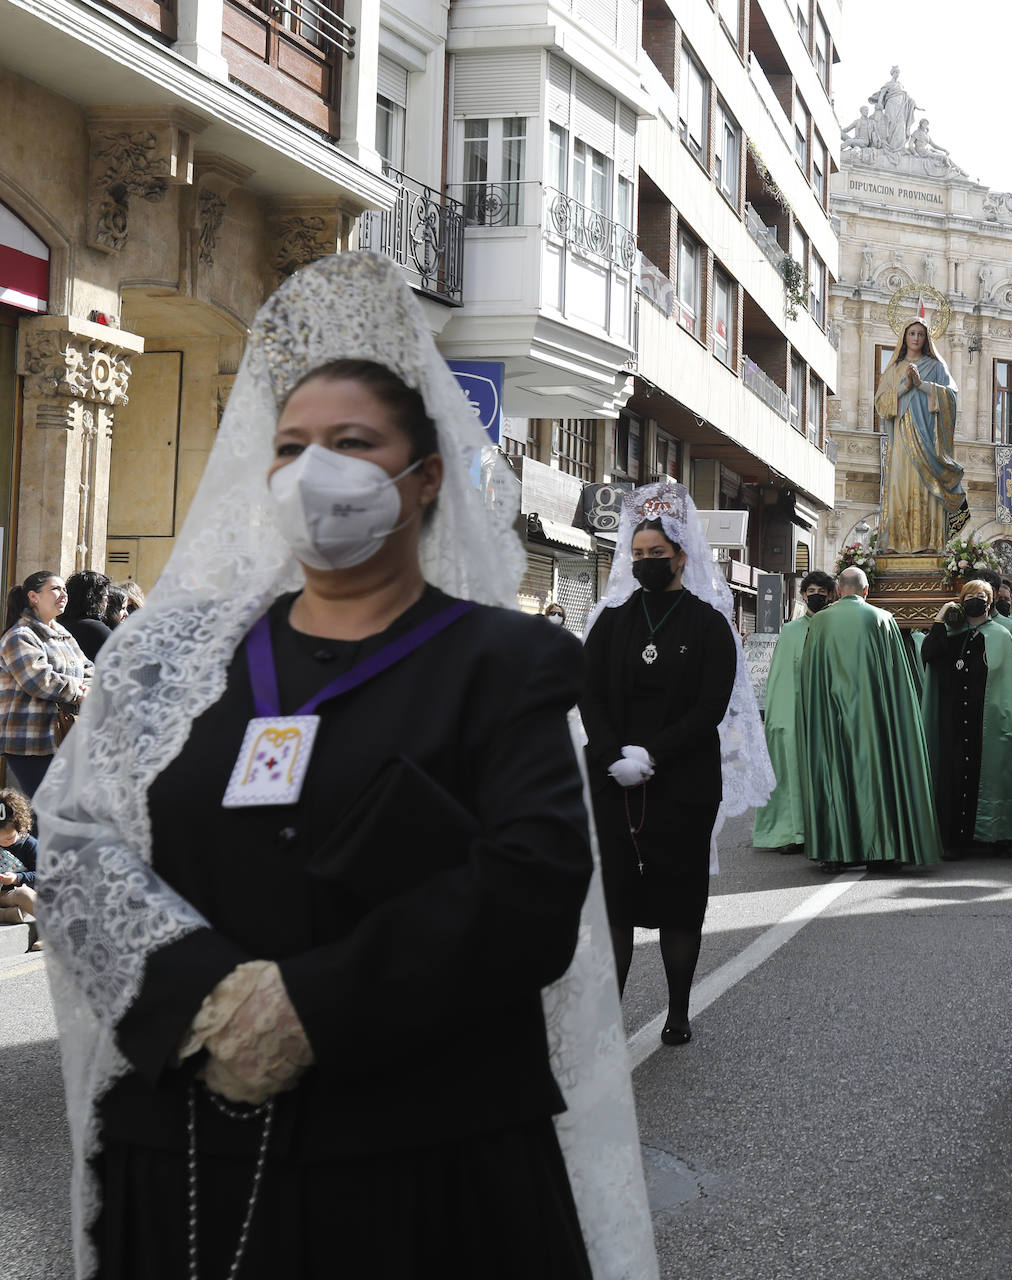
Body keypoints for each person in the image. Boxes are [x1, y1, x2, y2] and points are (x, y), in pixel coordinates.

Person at [38, 253, 657, 1280]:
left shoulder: (503, 662)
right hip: (191, 1152)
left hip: (423, 1164)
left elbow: (532, 885)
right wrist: (209, 1002)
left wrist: (306, 1006)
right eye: (291, 445)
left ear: (425, 479)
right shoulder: (170, 659)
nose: (315, 470)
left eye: (353, 443)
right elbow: (76, 841)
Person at [581, 481, 770, 1047]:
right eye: (637, 556)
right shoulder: (610, 620)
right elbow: (587, 692)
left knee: (679, 899)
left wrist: (652, 754)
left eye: (655, 556)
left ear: (681, 557)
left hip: (682, 780)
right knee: (615, 900)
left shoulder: (709, 624)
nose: (645, 564)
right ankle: (609, 1020)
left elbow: (711, 705)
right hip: (614, 779)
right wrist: (616, 754)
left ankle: (678, 1010)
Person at [796, 566, 942, 871]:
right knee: (877, 775)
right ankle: (883, 851)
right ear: (866, 591)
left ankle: (836, 853)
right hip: (875, 716)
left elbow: (809, 677)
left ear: (838, 591)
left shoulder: (820, 622)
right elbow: (897, 679)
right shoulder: (883, 619)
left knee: (834, 775)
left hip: (831, 713)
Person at [921, 580, 1012, 857]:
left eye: (981, 596)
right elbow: (929, 654)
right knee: (956, 776)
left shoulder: (1000, 635)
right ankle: (957, 839)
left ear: (990, 602)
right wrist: (940, 618)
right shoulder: (952, 634)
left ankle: (992, 835)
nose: (975, 600)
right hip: (955, 719)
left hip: (987, 718)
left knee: (987, 774)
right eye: (969, 596)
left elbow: (1008, 684)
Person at [753, 570, 835, 854]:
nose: (816, 595)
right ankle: (792, 830)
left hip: (825, 711)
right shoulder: (789, 631)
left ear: (831, 595)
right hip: (794, 713)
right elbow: (780, 679)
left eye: (822, 591)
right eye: (811, 590)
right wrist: (779, 717)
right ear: (803, 595)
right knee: (791, 768)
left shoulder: (835, 626)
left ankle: (827, 830)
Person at [874, 318, 966, 553]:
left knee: (925, 486)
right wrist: (905, 386)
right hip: (902, 439)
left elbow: (950, 398)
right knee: (900, 484)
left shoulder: (936, 366)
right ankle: (896, 542)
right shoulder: (894, 369)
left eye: (920, 334)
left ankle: (928, 543)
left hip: (928, 439)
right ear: (904, 336)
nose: (915, 338)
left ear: (926, 339)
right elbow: (882, 403)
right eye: (912, 333)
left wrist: (922, 384)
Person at [0, 571, 92, 797]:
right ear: (34, 596)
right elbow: (38, 679)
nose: (63, 594)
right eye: (56, 589)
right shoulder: (19, 635)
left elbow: (88, 667)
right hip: (30, 742)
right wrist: (78, 691)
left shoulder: (63, 634)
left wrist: (91, 687)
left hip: (64, 737)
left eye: (65, 590)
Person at [0, 789, 41, 951]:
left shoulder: (30, 845)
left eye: (9, 838)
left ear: (21, 827)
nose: (4, 843)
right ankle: (11, 914)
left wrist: (17, 878)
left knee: (24, 895)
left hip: (19, 894)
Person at [58, 569, 114, 661]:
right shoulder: (96, 629)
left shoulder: (58, 625)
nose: (107, 602)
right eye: (106, 597)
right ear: (96, 598)